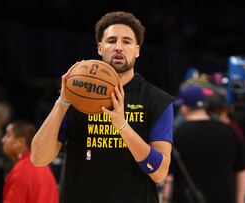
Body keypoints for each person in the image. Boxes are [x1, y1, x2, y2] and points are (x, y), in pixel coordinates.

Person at [31, 11, 174, 203]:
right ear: (100, 48)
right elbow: (38, 158)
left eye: (127, 41)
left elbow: (159, 173)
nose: (118, 47)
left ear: (137, 50)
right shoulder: (76, 95)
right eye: (111, 40)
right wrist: (62, 102)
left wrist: (122, 126)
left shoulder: (157, 100)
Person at [165, 85, 245, 203]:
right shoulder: (228, 131)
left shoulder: (177, 134)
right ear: (205, 105)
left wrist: (165, 199)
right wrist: (240, 200)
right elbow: (241, 170)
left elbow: (169, 177)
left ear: (184, 108)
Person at [2, 120, 59, 203]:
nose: (3, 140)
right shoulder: (43, 165)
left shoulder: (21, 171)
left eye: (8, 135)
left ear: (21, 142)